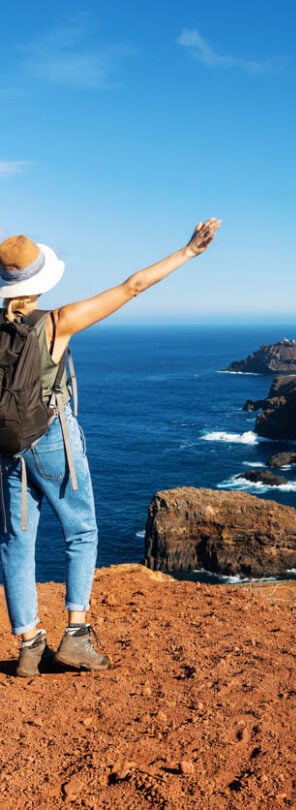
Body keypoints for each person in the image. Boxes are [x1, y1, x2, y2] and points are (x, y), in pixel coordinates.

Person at [0, 218, 221, 676]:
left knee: (15, 543)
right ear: (40, 280)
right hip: (53, 440)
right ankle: (76, 637)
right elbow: (132, 287)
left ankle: (28, 645)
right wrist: (188, 252)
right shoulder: (56, 323)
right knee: (80, 532)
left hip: (8, 449)